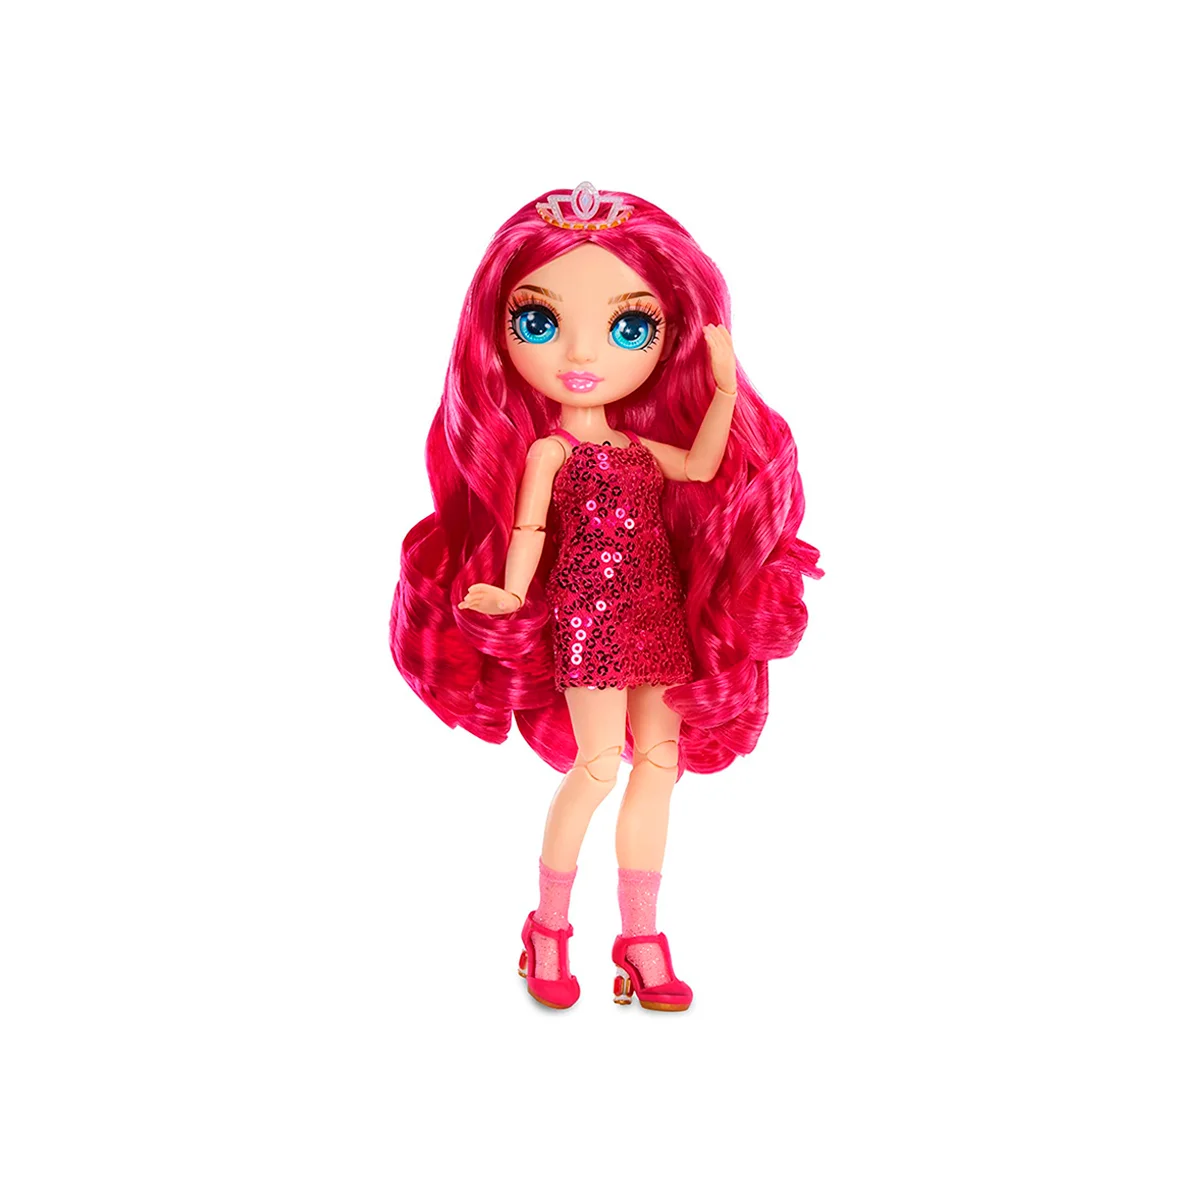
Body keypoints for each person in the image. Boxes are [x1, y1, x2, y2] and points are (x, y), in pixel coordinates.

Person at [391, 182, 822, 1011]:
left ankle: (641, 940)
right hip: (588, 621)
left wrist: (723, 390)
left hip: (657, 614)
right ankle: (548, 930)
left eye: (630, 328)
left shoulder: (640, 445)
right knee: (594, 768)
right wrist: (508, 590)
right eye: (538, 322)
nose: (581, 354)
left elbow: (701, 466)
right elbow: (529, 529)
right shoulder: (549, 452)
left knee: (659, 766)